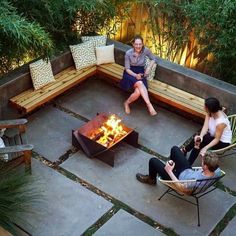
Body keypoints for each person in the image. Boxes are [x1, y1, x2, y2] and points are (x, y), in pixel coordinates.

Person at [181, 97, 232, 166]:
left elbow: (217, 139)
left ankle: (187, 163)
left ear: (210, 109)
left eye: (205, 107)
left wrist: (205, 148)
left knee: (199, 143)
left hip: (222, 142)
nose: (203, 108)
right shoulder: (210, 113)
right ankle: (185, 152)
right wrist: (201, 136)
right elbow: (205, 127)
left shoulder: (220, 122)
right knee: (199, 139)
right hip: (213, 135)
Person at [136, 146, 221, 186]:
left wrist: (169, 171)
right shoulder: (217, 171)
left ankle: (151, 179)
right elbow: (213, 164)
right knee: (175, 149)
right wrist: (197, 147)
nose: (201, 161)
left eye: (203, 162)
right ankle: (172, 166)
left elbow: (181, 187)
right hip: (187, 170)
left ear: (206, 166)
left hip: (177, 178)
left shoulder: (195, 181)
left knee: (153, 161)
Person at [120, 35, 158, 116]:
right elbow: (127, 69)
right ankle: (149, 105)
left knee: (137, 92)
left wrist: (148, 68)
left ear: (142, 44)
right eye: (136, 44)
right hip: (130, 73)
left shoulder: (146, 50)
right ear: (133, 44)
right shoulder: (128, 53)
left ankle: (126, 103)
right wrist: (135, 75)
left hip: (140, 71)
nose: (138, 46)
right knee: (140, 83)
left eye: (140, 44)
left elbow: (154, 59)